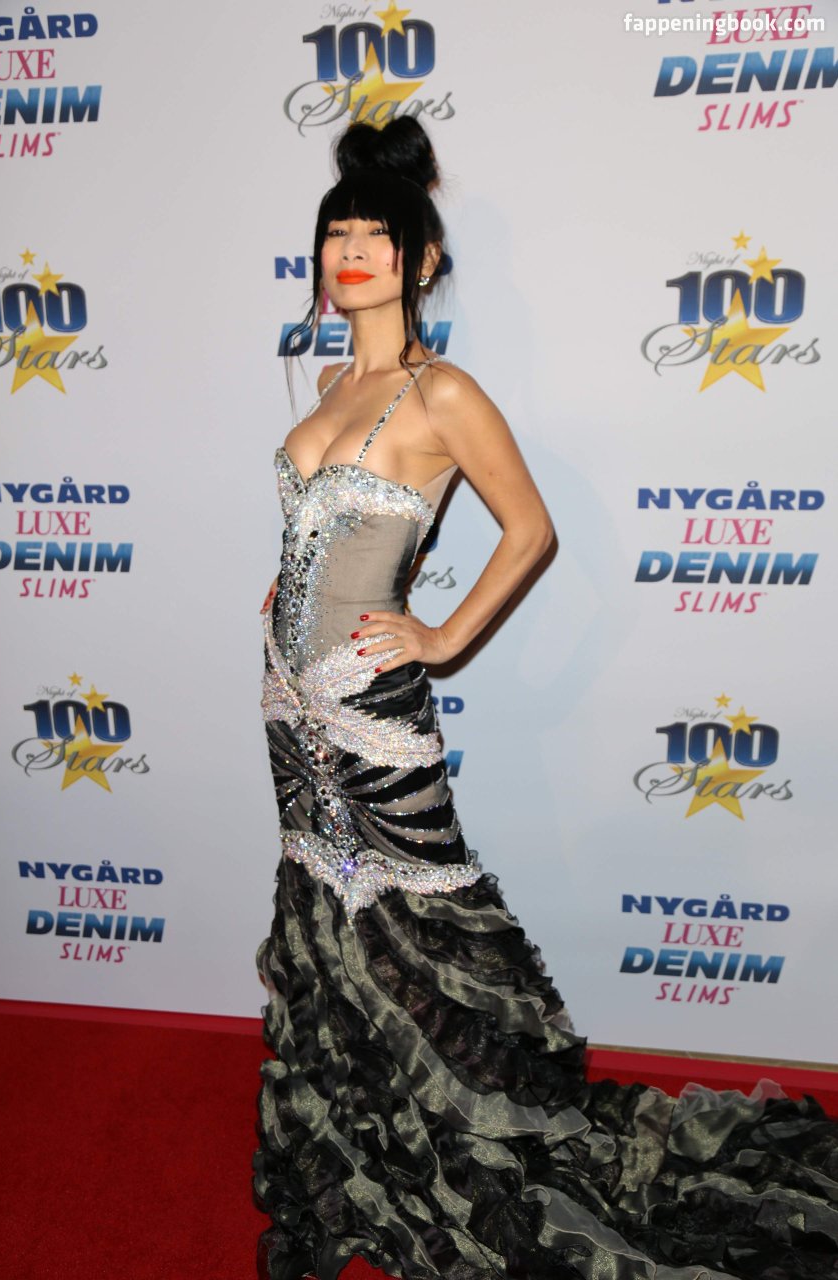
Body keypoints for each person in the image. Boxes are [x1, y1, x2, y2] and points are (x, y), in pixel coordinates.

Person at [253, 118, 838, 1280]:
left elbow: (531, 530)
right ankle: (359, 1146)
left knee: (419, 927)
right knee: (323, 917)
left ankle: (470, 1147)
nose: (351, 253)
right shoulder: (324, 382)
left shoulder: (443, 393)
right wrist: (283, 586)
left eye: (376, 234)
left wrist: (441, 635)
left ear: (422, 257)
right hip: (285, 703)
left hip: (370, 711)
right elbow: (316, 532)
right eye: (336, 235)